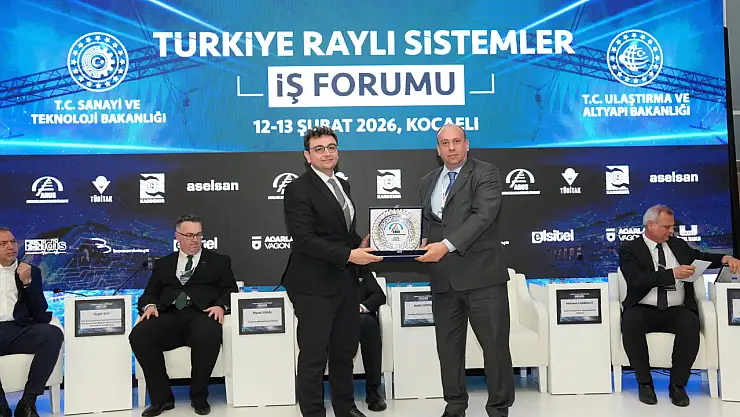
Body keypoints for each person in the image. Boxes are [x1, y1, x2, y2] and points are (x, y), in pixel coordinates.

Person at [281, 126, 382, 417]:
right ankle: (313, 412)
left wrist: (364, 243)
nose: (327, 153)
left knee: (344, 352)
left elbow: (342, 233)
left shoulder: (342, 184)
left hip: (346, 281)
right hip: (313, 285)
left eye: (331, 147)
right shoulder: (298, 189)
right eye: (319, 149)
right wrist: (350, 254)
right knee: (314, 356)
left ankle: (345, 407)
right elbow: (305, 239)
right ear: (307, 156)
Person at [416, 124, 514, 417]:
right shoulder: (427, 181)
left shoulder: (485, 173)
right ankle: (455, 406)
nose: (451, 148)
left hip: (483, 278)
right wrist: (416, 242)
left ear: (466, 144)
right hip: (443, 280)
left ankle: (498, 408)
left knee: (495, 349)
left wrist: (444, 246)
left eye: (456, 141)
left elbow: (483, 216)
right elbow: (431, 223)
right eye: (445, 143)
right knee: (448, 350)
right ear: (438, 149)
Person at [619, 204, 740, 407]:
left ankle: (678, 385)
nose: (671, 231)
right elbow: (636, 280)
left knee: (690, 322)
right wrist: (673, 274)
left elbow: (701, 257)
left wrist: (724, 258)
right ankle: (645, 384)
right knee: (631, 321)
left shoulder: (678, 245)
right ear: (650, 225)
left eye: (672, 226)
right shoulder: (630, 249)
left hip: (676, 309)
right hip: (642, 308)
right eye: (666, 227)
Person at [129, 215, 238, 417]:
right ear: (177, 236)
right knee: (140, 335)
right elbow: (149, 294)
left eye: (198, 235)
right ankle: (162, 399)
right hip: (170, 315)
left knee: (208, 331)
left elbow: (231, 290)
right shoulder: (163, 264)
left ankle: (199, 397)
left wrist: (221, 306)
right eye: (189, 235)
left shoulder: (218, 261)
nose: (195, 240)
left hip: (202, 314)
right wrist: (150, 306)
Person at [0, 227, 63, 417]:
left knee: (53, 334)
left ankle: (28, 402)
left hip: (19, 329)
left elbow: (39, 312)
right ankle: (1, 407)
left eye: (13, 242)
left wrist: (27, 283)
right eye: (3, 244)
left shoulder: (29, 271)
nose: (11, 247)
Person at [357, 270, 387, 412]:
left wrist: (361, 307)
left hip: (360, 315)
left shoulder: (360, 268)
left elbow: (379, 295)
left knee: (368, 324)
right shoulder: (326, 265)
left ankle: (373, 392)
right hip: (334, 314)